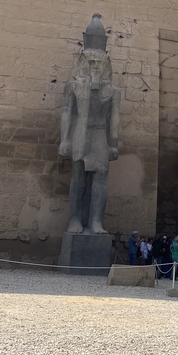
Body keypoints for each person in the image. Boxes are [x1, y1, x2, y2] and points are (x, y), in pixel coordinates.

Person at [59, 15, 120, 235]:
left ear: (106, 64)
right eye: (91, 63)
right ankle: (75, 219)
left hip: (100, 134)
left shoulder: (112, 91)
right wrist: (64, 139)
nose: (95, 67)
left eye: (99, 63)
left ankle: (96, 221)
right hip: (80, 132)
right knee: (79, 178)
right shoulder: (73, 86)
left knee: (100, 177)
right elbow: (67, 113)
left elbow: (114, 118)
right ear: (83, 62)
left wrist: (113, 144)